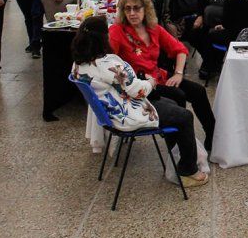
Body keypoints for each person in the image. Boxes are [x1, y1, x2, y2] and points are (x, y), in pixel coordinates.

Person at [71, 16, 208, 187]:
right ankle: (188, 171)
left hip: (111, 112)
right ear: (102, 38)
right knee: (185, 116)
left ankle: (177, 156)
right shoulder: (108, 65)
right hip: (127, 115)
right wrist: (151, 81)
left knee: (171, 105)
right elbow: (138, 90)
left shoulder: (78, 65)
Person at [109, 0, 216, 151]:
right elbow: (107, 60)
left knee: (198, 91)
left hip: (160, 78)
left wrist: (179, 74)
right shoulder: (118, 31)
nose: (132, 13)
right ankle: (177, 147)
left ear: (146, 9)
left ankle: (212, 136)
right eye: (127, 8)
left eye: (137, 8)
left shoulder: (153, 29)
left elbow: (180, 50)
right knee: (178, 96)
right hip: (140, 87)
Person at [190, 0, 235, 78]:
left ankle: (210, 62)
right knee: (190, 32)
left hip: (223, 26)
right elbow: (201, 1)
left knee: (208, 36)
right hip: (207, 22)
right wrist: (200, 16)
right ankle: (211, 60)